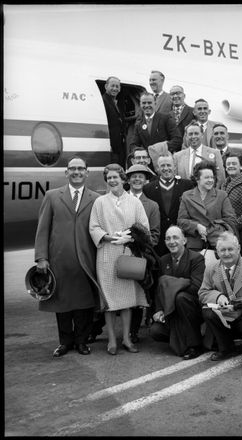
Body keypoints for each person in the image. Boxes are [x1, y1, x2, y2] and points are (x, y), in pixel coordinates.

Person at [34, 155, 101, 357]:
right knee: (61, 304)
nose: (77, 172)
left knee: (83, 304)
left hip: (85, 260)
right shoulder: (52, 196)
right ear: (66, 172)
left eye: (81, 168)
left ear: (87, 172)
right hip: (58, 261)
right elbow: (43, 229)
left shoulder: (96, 199)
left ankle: (81, 341)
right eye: (72, 168)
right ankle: (65, 342)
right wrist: (41, 257)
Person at [89, 163, 150, 355]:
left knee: (127, 299)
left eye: (115, 177)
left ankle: (126, 339)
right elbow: (93, 227)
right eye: (109, 178)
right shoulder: (99, 202)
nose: (112, 181)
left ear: (123, 179)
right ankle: (112, 341)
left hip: (127, 253)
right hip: (107, 253)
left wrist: (130, 236)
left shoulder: (135, 202)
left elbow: (144, 227)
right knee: (108, 301)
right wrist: (108, 237)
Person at [198, 232, 242, 360]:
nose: (226, 253)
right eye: (222, 250)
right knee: (207, 313)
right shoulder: (211, 268)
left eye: (230, 249)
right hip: (224, 314)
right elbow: (203, 293)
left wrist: (241, 312)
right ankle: (226, 348)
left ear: (239, 249)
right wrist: (218, 297)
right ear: (217, 252)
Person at [150, 226, 206, 359]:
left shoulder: (196, 258)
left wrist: (170, 284)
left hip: (191, 308)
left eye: (175, 237)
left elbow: (196, 287)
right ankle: (181, 338)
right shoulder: (163, 260)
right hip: (171, 312)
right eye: (168, 238)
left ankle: (194, 345)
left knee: (181, 297)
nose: (172, 241)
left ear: (184, 241)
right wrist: (158, 310)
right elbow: (160, 289)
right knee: (155, 331)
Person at [126, 164, 161, 343]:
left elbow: (154, 234)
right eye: (133, 176)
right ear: (128, 179)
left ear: (146, 180)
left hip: (140, 256)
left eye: (140, 176)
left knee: (138, 294)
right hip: (121, 253)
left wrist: (140, 245)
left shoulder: (152, 205)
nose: (137, 179)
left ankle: (133, 332)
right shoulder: (120, 200)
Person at [177, 160, 236, 252]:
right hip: (194, 245)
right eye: (207, 177)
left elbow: (230, 220)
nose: (210, 180)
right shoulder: (186, 196)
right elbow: (181, 221)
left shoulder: (222, 195)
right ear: (197, 179)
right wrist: (197, 226)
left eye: (212, 177)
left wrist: (210, 229)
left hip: (218, 243)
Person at [143, 153, 194, 256]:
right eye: (162, 165)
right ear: (157, 168)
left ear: (174, 166)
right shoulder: (148, 188)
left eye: (169, 165)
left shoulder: (187, 185)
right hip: (159, 241)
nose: (166, 168)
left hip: (181, 237)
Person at [173, 122, 226, 188]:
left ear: (202, 135)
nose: (193, 136)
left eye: (196, 133)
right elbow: (175, 179)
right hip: (185, 195)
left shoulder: (215, 153)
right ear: (186, 136)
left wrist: (214, 195)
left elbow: (221, 178)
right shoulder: (177, 156)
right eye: (190, 134)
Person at [101, 76, 126, 168]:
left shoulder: (116, 103)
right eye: (112, 86)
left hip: (119, 145)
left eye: (117, 86)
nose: (115, 88)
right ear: (106, 86)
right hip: (111, 145)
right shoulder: (103, 101)